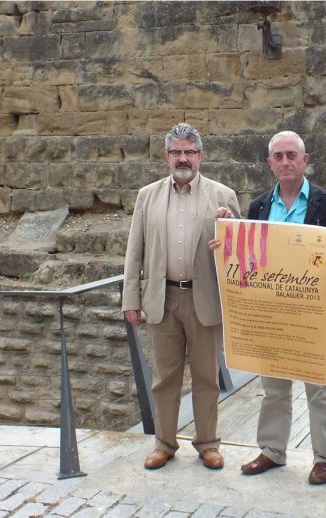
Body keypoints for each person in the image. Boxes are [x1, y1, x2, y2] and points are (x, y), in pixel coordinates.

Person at [232, 130, 326, 485]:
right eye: (278, 156)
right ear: (270, 163)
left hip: (311, 314)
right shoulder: (258, 206)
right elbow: (252, 259)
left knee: (320, 388)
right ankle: (272, 450)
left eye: (291, 155)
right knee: (274, 388)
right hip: (272, 313)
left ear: (305, 160)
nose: (285, 162)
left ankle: (325, 457)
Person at [122, 123, 240, 471]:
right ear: (166, 157)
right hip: (163, 298)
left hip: (205, 299)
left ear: (201, 155)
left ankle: (208, 444)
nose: (183, 158)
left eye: (190, 151)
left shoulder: (224, 196)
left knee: (206, 376)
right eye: (176, 152)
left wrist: (230, 226)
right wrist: (132, 298)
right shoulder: (148, 196)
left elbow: (242, 250)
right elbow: (135, 251)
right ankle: (164, 443)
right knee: (164, 379)